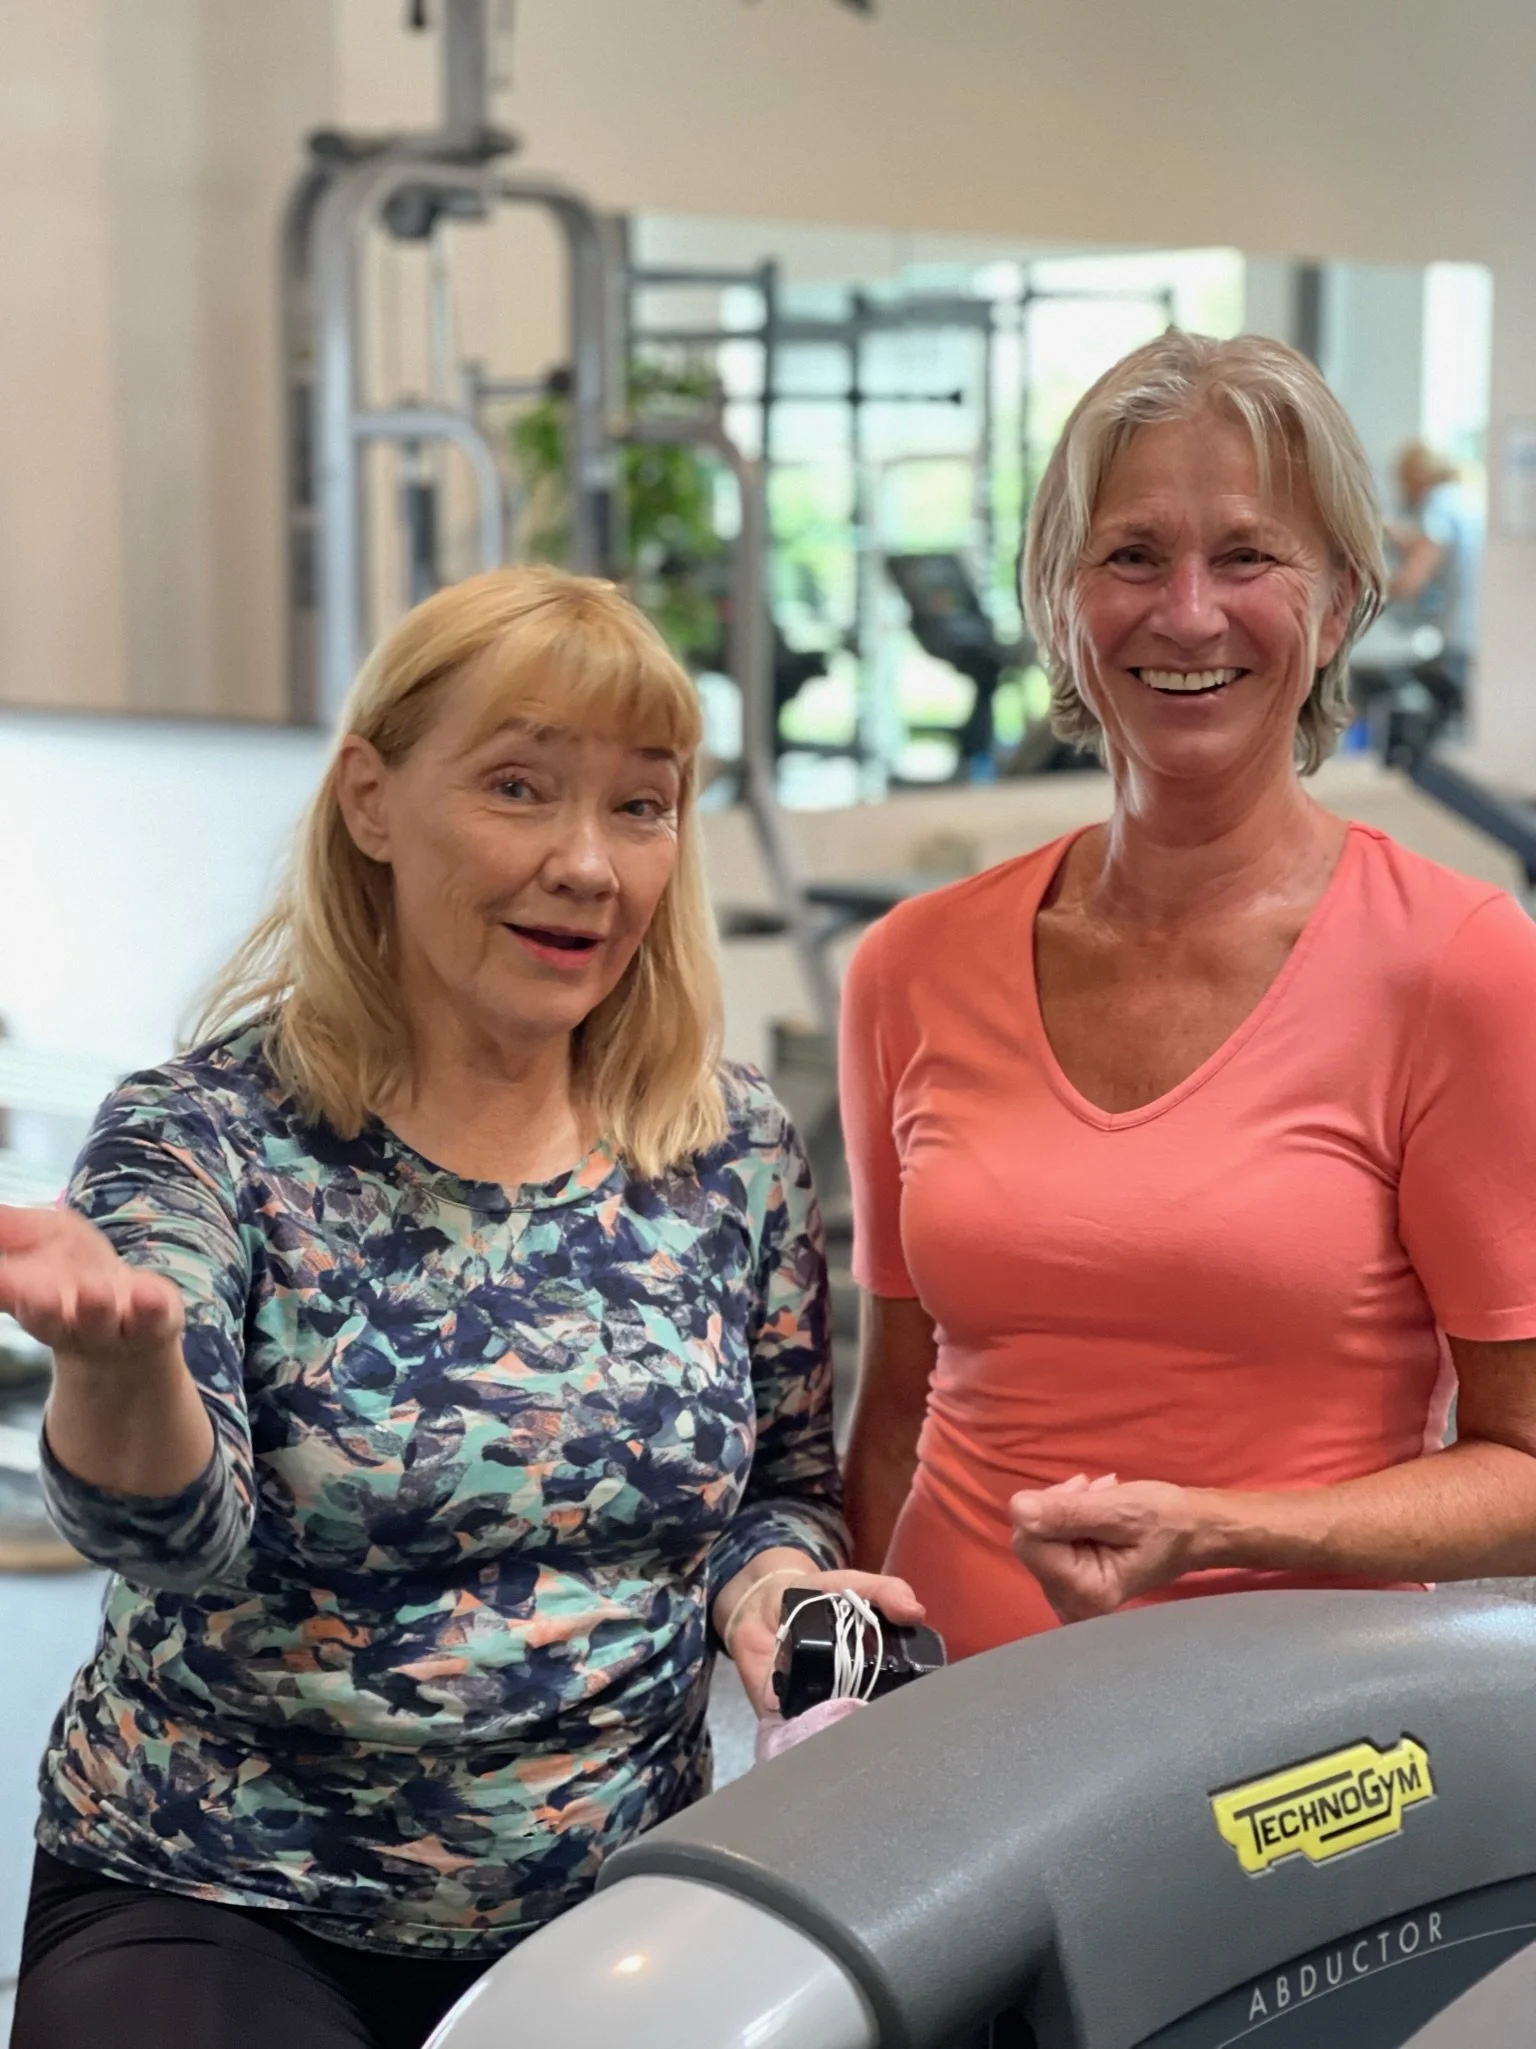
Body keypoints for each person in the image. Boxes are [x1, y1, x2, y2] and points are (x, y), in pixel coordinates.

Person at [0, 566, 918, 2049]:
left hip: (621, 1905)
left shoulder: (727, 1144)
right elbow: (169, 1538)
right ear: (372, 798)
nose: (589, 865)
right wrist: (122, 1368)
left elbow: (783, 1491)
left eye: (641, 805)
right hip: (225, 1893)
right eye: (518, 788)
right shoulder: (204, 1137)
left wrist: (770, 1590)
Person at [840, 332, 1536, 1660]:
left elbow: (1527, 1470)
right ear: (1058, 600)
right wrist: (846, 1715)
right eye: (1133, 556)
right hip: (960, 1722)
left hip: (1289, 1735)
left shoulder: (1458, 961)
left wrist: (1225, 1527)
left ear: (1337, 604)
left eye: (1249, 556)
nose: (1190, 613)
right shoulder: (911, 966)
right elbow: (892, 1419)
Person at [1385, 439, 1484, 694]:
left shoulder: (1438, 505)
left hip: (1458, 637)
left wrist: (1363, 586)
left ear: (1415, 478)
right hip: (1480, 634)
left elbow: (1411, 580)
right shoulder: (1466, 499)